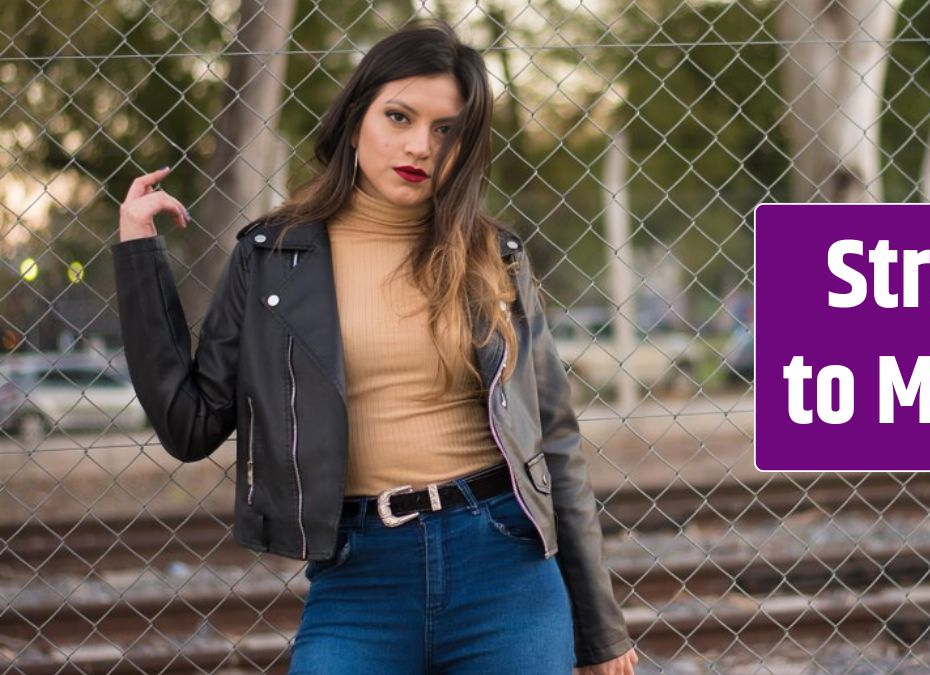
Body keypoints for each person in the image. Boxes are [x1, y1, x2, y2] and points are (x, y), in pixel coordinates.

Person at [110, 18, 637, 675]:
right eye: (399, 116)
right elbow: (190, 424)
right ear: (356, 118)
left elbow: (554, 438)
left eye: (446, 131)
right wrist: (138, 255)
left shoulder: (493, 257)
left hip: (502, 562)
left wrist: (600, 631)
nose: (420, 145)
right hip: (359, 574)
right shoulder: (273, 257)